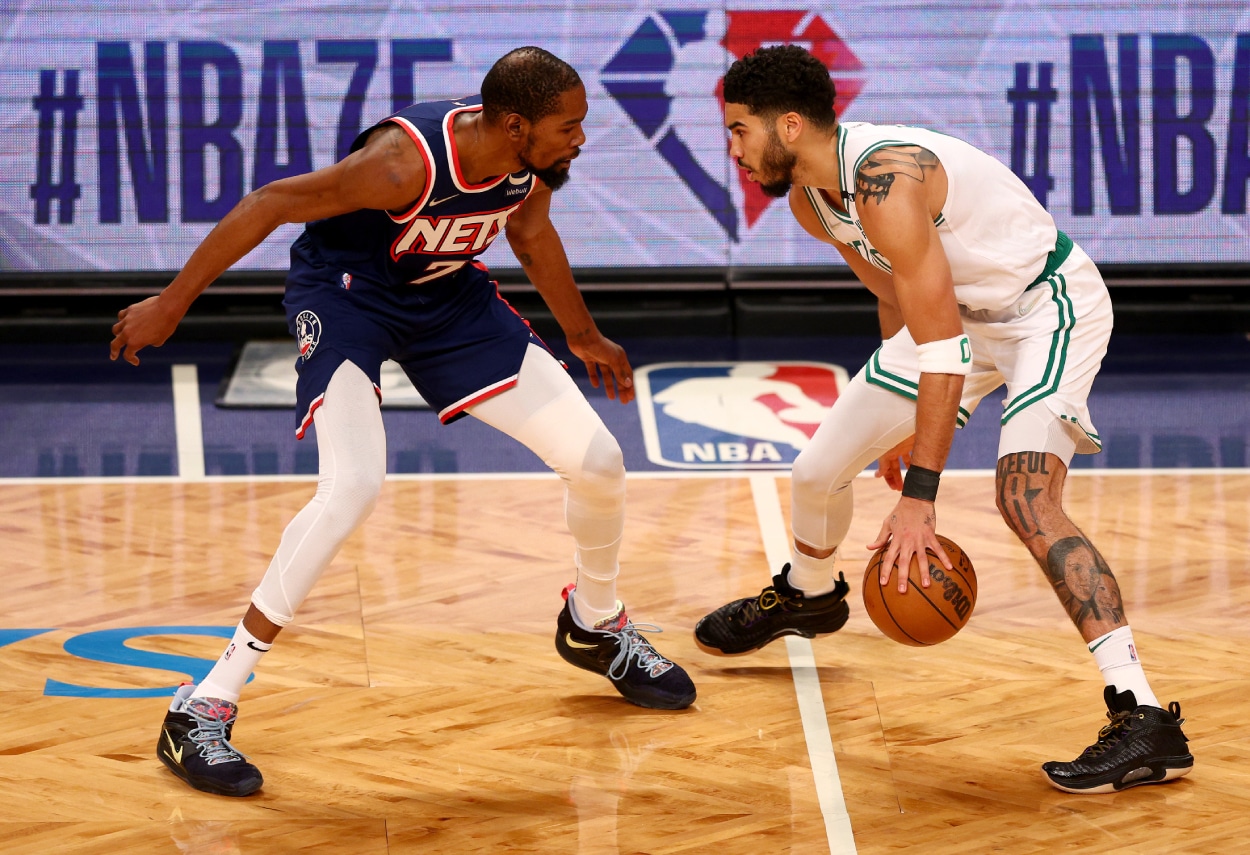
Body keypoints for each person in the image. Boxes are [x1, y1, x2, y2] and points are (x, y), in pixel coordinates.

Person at [109, 46, 696, 798]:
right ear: (517, 126)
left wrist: (581, 334)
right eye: (570, 126)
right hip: (348, 296)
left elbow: (532, 234)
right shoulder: (401, 164)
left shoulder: (528, 168)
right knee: (352, 485)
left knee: (600, 461)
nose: (581, 138)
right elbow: (270, 204)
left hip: (447, 301)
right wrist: (171, 302)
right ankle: (202, 705)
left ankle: (596, 621)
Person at [693, 45, 1191, 794]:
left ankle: (1144, 714)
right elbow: (899, 300)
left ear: (788, 126)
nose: (731, 147)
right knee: (817, 470)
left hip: (1045, 312)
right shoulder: (810, 197)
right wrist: (899, 424)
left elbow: (946, 349)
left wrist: (919, 492)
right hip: (958, 322)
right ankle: (810, 593)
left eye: (738, 130)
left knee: (1025, 498)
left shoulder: (889, 180)